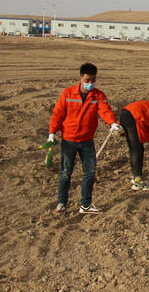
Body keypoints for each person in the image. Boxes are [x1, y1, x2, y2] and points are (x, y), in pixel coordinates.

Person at [48, 63, 122, 214]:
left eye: (93, 80)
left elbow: (105, 110)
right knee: (66, 173)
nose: (90, 83)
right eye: (87, 80)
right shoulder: (68, 93)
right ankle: (62, 203)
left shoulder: (98, 95)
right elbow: (57, 114)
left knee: (90, 172)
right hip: (69, 140)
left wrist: (112, 123)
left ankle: (85, 205)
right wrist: (52, 133)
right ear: (80, 78)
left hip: (87, 141)